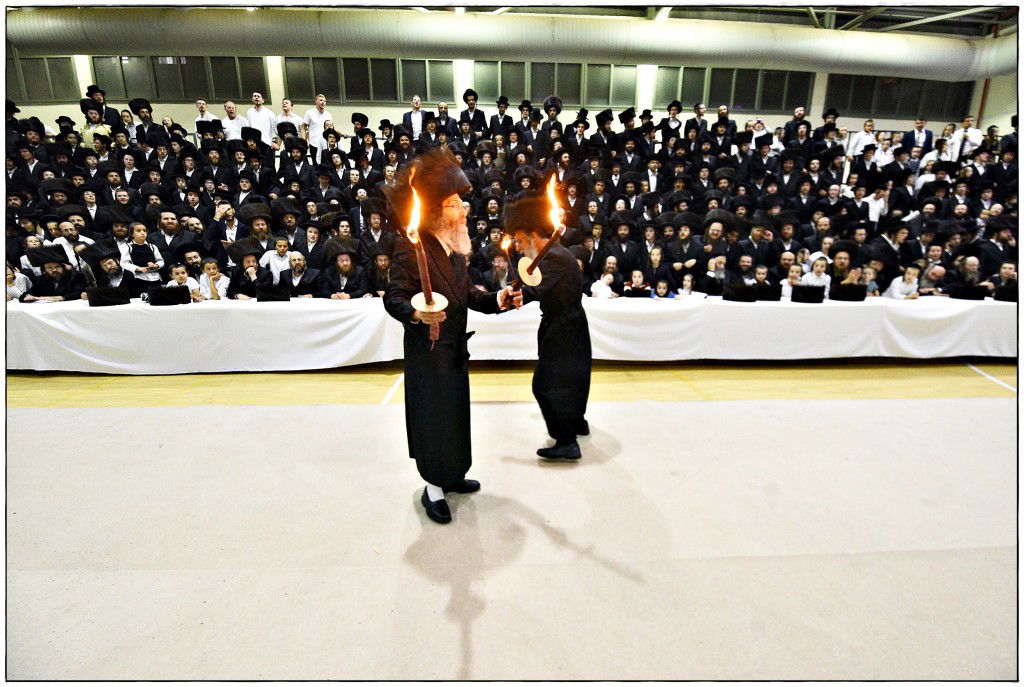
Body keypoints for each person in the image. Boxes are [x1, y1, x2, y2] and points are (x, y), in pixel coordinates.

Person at [383, 147, 515, 524]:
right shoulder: (412, 250)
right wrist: (416, 314)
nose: (465, 210)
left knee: (454, 417)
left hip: (455, 353)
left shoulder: (456, 252)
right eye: (456, 204)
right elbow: (392, 298)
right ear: (438, 211)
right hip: (428, 356)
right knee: (433, 420)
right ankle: (433, 488)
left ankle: (453, 475)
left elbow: (469, 295)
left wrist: (500, 299)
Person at [504, 191, 592, 461]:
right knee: (572, 378)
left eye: (519, 240)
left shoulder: (553, 257)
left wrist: (517, 296)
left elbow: (536, 288)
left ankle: (566, 441)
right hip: (566, 324)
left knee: (544, 386)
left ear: (532, 236)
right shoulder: (553, 253)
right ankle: (577, 422)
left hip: (563, 329)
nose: (518, 247)